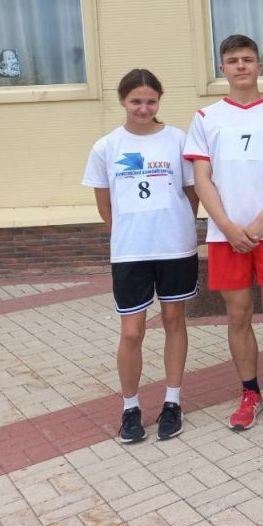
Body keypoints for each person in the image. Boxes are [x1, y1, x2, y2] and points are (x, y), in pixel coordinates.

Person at [183, 35, 263, 431]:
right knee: (237, 315)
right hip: (226, 237)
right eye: (233, 60)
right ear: (223, 68)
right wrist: (227, 226)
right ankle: (250, 392)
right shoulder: (206, 117)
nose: (241, 66)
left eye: (247, 59)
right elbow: (202, 179)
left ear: (259, 66)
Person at [83, 69, 199, 443]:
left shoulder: (177, 140)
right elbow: (106, 207)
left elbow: (191, 194)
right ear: (123, 101)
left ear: (159, 101)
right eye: (136, 101)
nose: (144, 108)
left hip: (174, 247)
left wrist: (176, 226)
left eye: (151, 101)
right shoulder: (107, 147)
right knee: (132, 331)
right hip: (130, 251)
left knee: (173, 320)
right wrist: (131, 233)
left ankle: (173, 401)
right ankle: (130, 408)